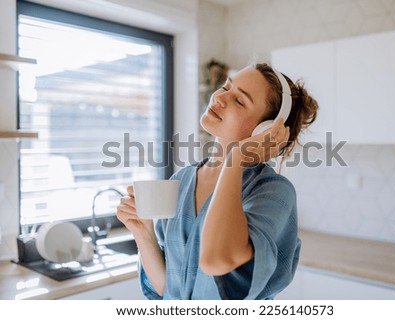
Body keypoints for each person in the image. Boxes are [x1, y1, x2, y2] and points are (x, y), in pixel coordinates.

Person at [116, 62, 318, 300]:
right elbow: (171, 291)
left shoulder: (272, 191)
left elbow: (217, 260)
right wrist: (144, 234)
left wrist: (237, 158)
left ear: (265, 129)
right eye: (226, 87)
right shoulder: (181, 180)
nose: (220, 98)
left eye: (239, 101)